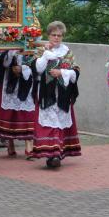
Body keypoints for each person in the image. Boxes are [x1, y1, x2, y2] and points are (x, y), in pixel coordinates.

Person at [30, 21, 82, 168]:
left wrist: (62, 72)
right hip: (47, 93)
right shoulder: (41, 50)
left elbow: (76, 71)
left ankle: (57, 153)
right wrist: (46, 56)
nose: (56, 38)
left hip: (62, 94)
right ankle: (52, 153)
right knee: (49, 123)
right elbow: (37, 69)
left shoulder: (67, 52)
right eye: (54, 35)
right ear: (49, 35)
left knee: (60, 122)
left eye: (59, 35)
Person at [0, 50, 36, 157]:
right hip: (9, 83)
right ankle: (10, 143)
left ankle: (29, 144)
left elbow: (38, 66)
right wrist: (11, 52)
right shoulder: (8, 48)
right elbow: (4, 63)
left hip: (26, 84)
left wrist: (23, 68)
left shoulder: (33, 46)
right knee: (9, 114)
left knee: (27, 114)